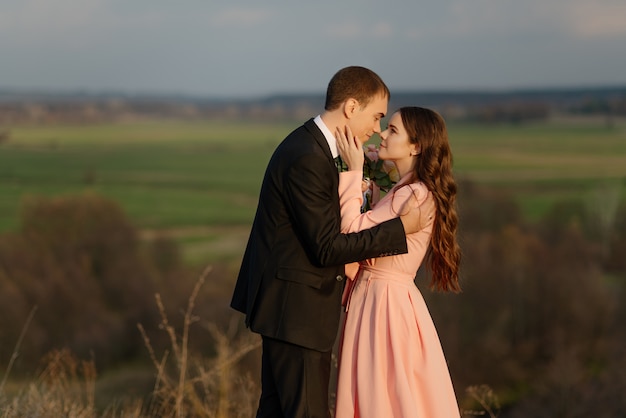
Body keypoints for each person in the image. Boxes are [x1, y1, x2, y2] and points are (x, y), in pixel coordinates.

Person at [230, 67, 430, 418]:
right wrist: (401, 229)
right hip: (296, 313)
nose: (376, 130)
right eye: (377, 116)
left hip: (289, 311)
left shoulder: (313, 147)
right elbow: (327, 247)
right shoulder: (309, 155)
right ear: (352, 107)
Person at [334, 106, 461, 417]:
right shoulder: (406, 189)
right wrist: (375, 182)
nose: (382, 134)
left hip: (384, 305)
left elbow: (353, 233)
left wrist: (353, 171)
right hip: (384, 299)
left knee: (383, 395)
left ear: (415, 146)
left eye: (392, 130)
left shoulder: (414, 195)